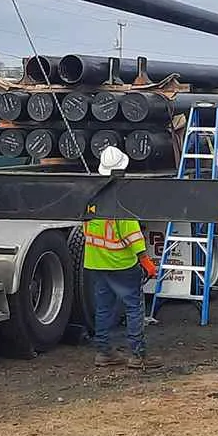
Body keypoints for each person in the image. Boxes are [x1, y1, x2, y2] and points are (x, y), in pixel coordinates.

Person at [83, 145, 158, 368]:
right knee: (134, 306)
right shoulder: (121, 199)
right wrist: (146, 261)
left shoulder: (91, 197)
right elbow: (132, 234)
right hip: (121, 263)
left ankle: (103, 352)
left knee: (103, 307)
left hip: (96, 262)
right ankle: (138, 355)